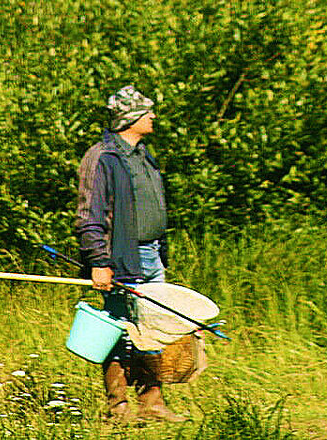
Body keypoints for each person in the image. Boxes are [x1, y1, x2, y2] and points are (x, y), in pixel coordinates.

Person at [74, 85, 187, 423]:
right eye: (146, 111)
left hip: (152, 255)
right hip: (123, 257)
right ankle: (118, 408)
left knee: (152, 330)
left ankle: (152, 403)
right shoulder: (102, 157)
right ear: (130, 118)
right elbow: (89, 215)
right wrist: (99, 262)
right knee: (122, 331)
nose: (153, 116)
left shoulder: (143, 155)